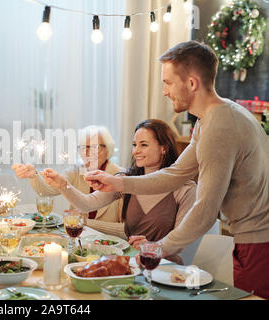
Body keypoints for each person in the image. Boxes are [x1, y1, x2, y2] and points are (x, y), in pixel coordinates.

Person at [84, 41, 269, 298]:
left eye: (168, 83)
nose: (164, 91)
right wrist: (119, 183)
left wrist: (158, 247)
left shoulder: (219, 127)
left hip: (259, 242)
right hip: (253, 239)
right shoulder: (210, 120)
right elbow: (173, 174)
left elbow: (205, 210)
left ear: (191, 83)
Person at [41, 119, 196, 264]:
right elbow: (88, 204)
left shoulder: (184, 188)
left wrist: (153, 247)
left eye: (143, 145)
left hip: (163, 266)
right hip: (129, 262)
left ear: (164, 148)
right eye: (134, 145)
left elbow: (182, 239)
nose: (136, 151)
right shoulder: (126, 180)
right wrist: (62, 185)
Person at [11, 125, 124, 228]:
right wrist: (34, 176)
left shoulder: (120, 176)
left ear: (107, 148)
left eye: (95, 147)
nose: (88, 153)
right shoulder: (76, 170)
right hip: (78, 237)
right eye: (83, 148)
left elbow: (125, 229)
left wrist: (84, 222)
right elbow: (47, 191)